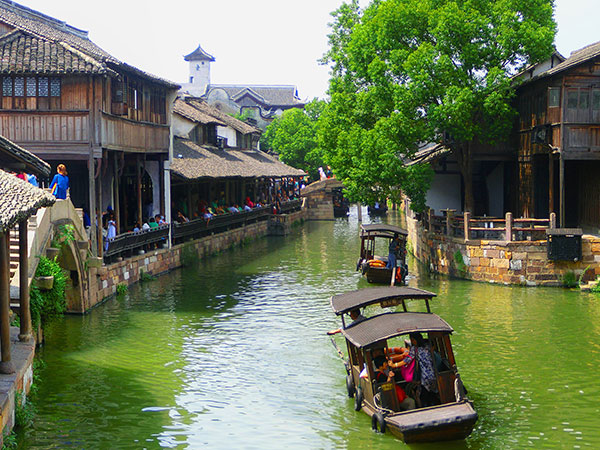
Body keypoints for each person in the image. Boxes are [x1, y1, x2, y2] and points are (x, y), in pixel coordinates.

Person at [398, 333, 439, 406]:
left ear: (414, 340)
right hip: (432, 374)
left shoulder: (415, 349)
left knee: (424, 395)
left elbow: (407, 359)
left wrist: (395, 365)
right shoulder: (428, 346)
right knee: (431, 393)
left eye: (412, 340)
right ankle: (432, 404)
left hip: (424, 376)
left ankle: (425, 407)